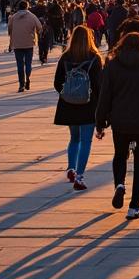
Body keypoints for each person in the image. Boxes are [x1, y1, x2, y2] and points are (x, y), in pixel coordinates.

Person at [95, 31, 139, 219]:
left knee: (120, 154)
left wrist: (100, 122)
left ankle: (119, 183)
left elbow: (105, 96)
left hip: (120, 120)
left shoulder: (113, 67)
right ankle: (135, 205)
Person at [54, 25, 103, 192]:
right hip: (88, 105)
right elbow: (99, 85)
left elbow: (57, 82)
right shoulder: (94, 57)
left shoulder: (66, 57)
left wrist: (68, 92)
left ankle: (71, 168)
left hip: (69, 104)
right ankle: (80, 176)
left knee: (74, 138)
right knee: (86, 140)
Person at [7, 1, 43, 93]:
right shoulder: (32, 16)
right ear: (27, 7)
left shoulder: (13, 17)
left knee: (19, 65)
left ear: (18, 7)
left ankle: (21, 84)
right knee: (28, 63)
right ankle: (28, 77)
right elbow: (40, 28)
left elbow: (9, 29)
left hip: (17, 44)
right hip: (29, 43)